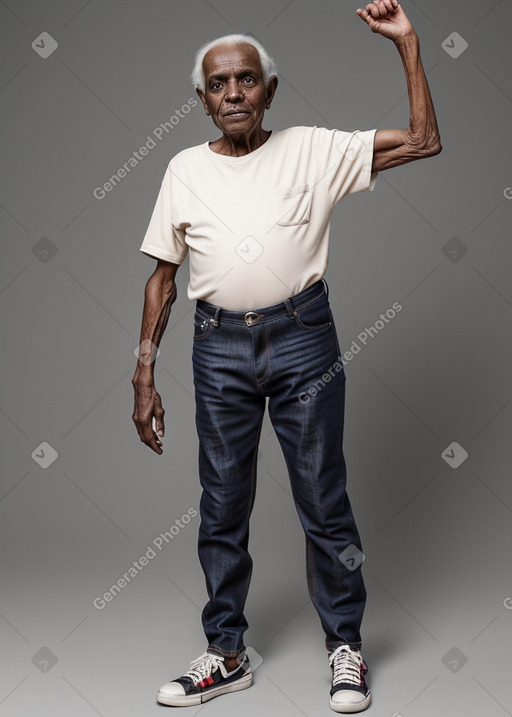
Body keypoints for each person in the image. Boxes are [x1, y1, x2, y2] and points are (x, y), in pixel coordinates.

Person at [131, 0, 441, 712]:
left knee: (322, 498)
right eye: (218, 84)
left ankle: (346, 647)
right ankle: (226, 654)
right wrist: (143, 372)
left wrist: (409, 43)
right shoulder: (183, 170)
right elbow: (161, 277)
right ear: (203, 99)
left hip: (303, 339)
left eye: (246, 80)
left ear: (269, 90)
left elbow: (425, 140)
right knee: (222, 503)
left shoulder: (313, 149)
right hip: (217, 349)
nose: (233, 93)